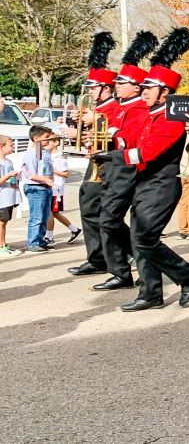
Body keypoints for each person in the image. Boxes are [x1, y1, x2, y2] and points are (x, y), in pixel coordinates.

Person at [107, 29, 189, 312]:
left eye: (149, 88)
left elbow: (147, 152)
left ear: (165, 93)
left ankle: (187, 274)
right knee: (140, 240)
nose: (143, 91)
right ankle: (150, 293)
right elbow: (133, 142)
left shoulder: (171, 119)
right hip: (144, 182)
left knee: (145, 239)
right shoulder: (151, 115)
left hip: (161, 185)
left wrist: (114, 155)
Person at [94, 31, 158, 293]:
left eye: (122, 83)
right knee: (105, 219)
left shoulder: (137, 109)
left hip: (126, 168)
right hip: (113, 166)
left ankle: (125, 267)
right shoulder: (123, 107)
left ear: (135, 86)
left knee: (109, 220)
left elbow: (128, 142)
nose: (116, 86)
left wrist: (106, 130)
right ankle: (123, 266)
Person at [68, 31, 118, 275]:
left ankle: (117, 255)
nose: (89, 91)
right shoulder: (96, 108)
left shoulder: (114, 107)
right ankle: (97, 257)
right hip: (95, 160)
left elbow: (119, 133)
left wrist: (96, 119)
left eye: (93, 87)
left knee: (103, 213)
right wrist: (80, 124)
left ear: (105, 88)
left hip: (109, 163)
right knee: (89, 210)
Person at [20, 126, 55, 252]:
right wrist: (44, 179)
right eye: (46, 137)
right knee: (37, 216)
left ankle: (40, 240)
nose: (49, 139)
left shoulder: (45, 152)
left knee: (45, 216)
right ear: (36, 138)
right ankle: (33, 242)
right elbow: (29, 173)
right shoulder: (31, 154)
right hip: (35, 188)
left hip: (46, 187)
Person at [44, 135, 81, 247]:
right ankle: (74, 229)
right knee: (54, 213)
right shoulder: (47, 155)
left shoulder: (60, 157)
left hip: (57, 188)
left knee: (50, 212)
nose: (46, 144)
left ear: (55, 143)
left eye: (49, 142)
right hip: (49, 186)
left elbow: (66, 174)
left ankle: (49, 236)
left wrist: (54, 171)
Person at [0, 135, 21, 256]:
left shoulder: (9, 162)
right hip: (2, 197)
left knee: (5, 221)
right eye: (10, 145)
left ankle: (3, 243)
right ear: (1, 146)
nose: (12, 147)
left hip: (9, 196)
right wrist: (9, 175)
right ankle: (0, 246)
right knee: (1, 221)